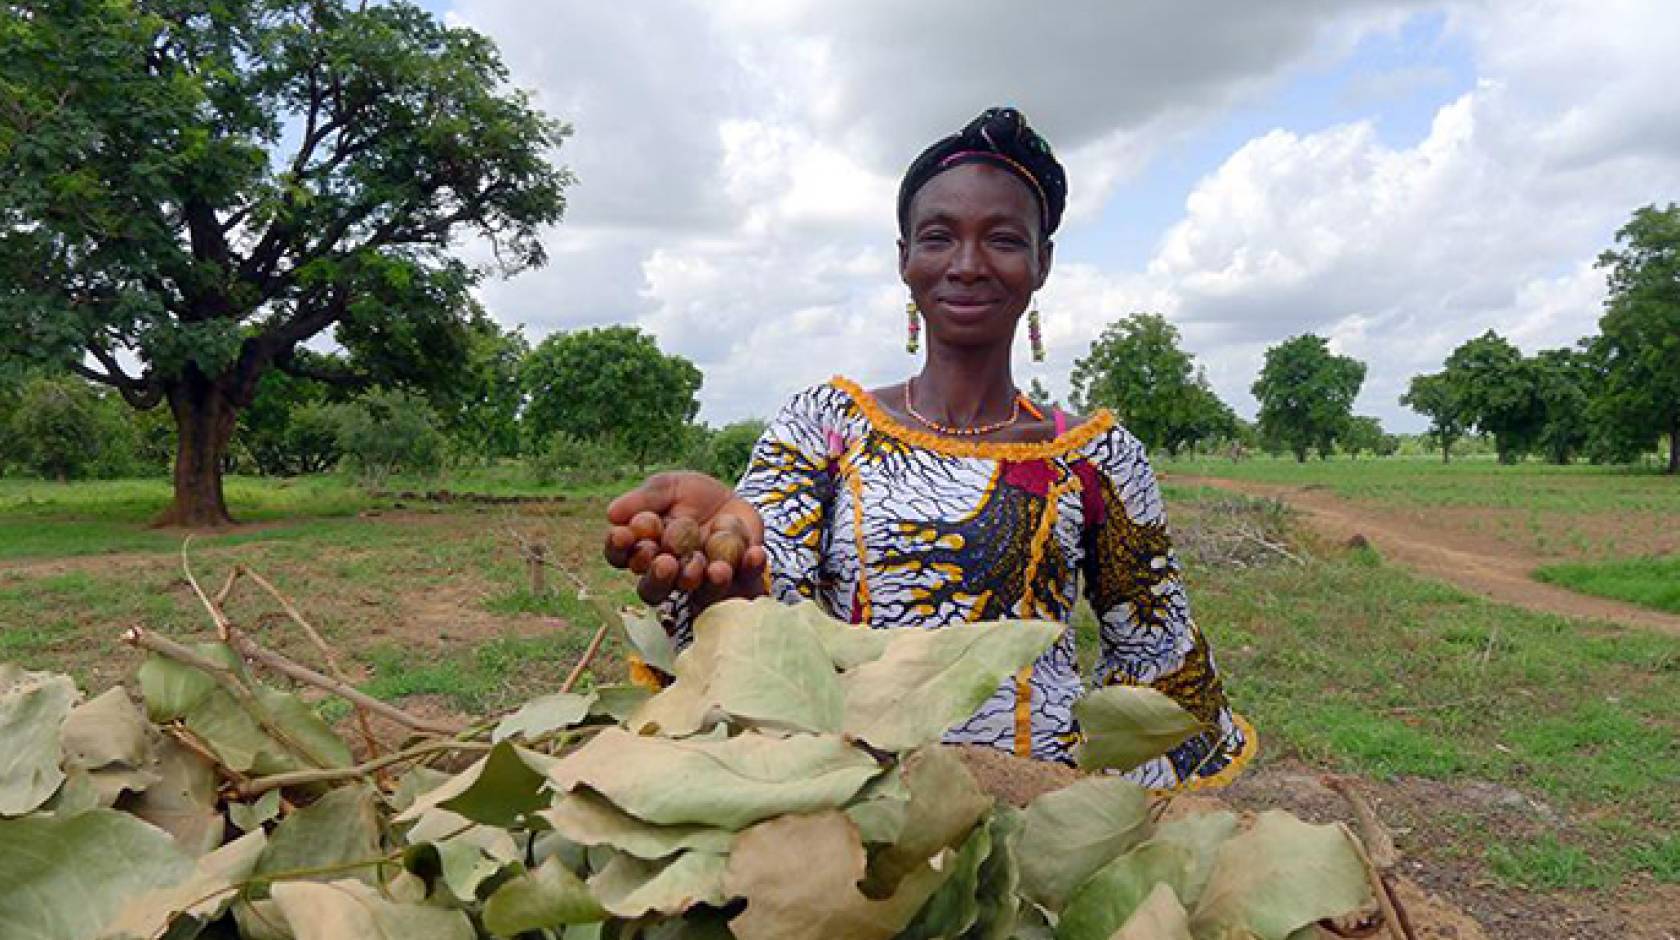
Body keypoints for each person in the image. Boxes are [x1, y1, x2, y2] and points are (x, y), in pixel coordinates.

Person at [604, 107, 1254, 791]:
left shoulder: (1096, 456)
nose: (967, 265)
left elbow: (1156, 657)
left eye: (1003, 240)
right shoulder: (824, 426)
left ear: (1043, 263)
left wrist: (1114, 816)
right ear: (904, 259)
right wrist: (723, 572)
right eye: (938, 237)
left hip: (1036, 810)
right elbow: (768, 591)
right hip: (849, 802)